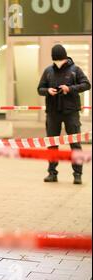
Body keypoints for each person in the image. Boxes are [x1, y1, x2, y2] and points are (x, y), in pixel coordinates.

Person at [38, 44, 91, 185]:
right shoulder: (48, 71)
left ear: (65, 57)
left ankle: (77, 174)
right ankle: (52, 173)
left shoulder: (75, 70)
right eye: (56, 60)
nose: (58, 62)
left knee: (75, 143)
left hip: (71, 112)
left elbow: (87, 84)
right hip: (53, 112)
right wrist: (48, 90)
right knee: (52, 144)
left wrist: (70, 88)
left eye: (60, 59)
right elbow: (40, 88)